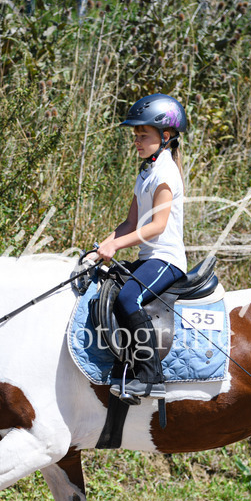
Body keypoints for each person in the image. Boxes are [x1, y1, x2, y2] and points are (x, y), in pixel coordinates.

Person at [94, 93, 189, 402]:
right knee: (107, 285)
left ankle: (150, 377)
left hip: (167, 260)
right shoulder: (146, 172)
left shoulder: (165, 173)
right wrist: (100, 247)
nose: (136, 140)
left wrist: (116, 245)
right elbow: (131, 222)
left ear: (166, 136)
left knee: (128, 297)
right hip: (149, 258)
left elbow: (156, 226)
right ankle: (122, 365)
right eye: (135, 134)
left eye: (143, 134)